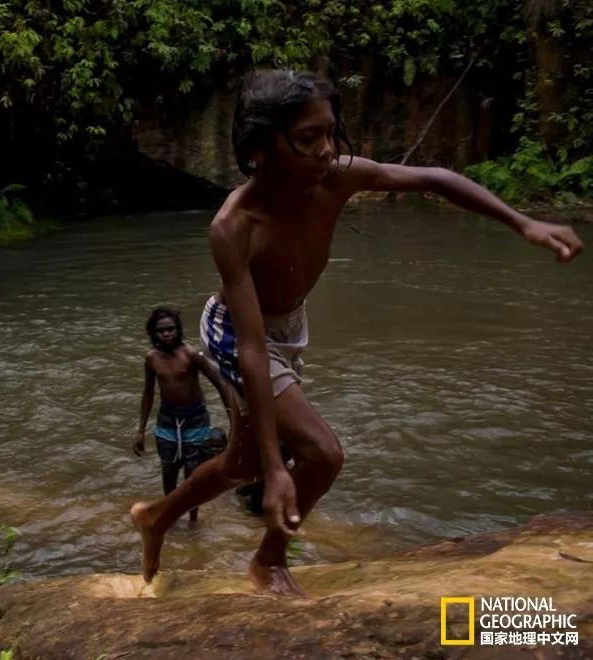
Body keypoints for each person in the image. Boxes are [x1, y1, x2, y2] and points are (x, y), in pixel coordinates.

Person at [130, 69, 584, 596]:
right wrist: (281, 470)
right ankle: (267, 561)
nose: (326, 150)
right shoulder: (235, 227)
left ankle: (157, 516)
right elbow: (252, 349)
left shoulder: (337, 177)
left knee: (243, 461)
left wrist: (523, 223)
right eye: (307, 139)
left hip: (290, 322)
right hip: (237, 333)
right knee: (322, 454)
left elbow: (435, 177)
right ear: (259, 149)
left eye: (330, 132)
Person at [134, 306, 236, 523]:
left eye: (171, 329)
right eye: (161, 330)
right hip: (168, 420)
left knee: (192, 474)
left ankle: (193, 518)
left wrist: (233, 421)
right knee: (169, 470)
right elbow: (148, 393)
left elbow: (220, 384)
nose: (167, 334)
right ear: (154, 333)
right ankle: (169, 517)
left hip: (195, 419)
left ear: (177, 330)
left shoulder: (191, 355)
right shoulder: (151, 359)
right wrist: (140, 431)